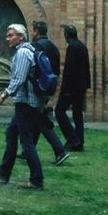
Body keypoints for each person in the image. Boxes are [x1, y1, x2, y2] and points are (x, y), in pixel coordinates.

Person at [0, 24, 47, 189]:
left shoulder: (22, 53)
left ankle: (36, 180)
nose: (8, 38)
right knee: (11, 133)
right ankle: (4, 171)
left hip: (27, 103)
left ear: (21, 37)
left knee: (26, 142)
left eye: (11, 35)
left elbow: (19, 79)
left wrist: (2, 96)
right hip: (28, 102)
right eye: (8, 35)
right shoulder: (27, 51)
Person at [29, 20, 69, 165]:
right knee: (36, 118)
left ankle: (59, 151)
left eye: (32, 30)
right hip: (49, 87)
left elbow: (32, 69)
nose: (30, 33)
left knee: (39, 120)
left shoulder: (35, 47)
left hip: (38, 88)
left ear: (37, 32)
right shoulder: (54, 47)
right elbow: (57, 71)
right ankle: (28, 150)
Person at [56, 23, 90, 152]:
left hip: (72, 88)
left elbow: (69, 70)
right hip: (81, 86)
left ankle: (73, 139)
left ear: (66, 35)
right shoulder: (82, 46)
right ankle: (79, 141)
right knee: (77, 114)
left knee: (59, 111)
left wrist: (65, 90)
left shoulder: (72, 47)